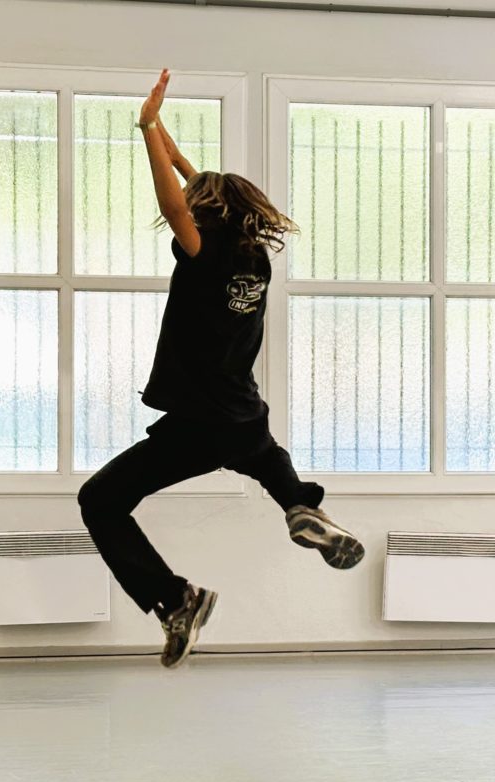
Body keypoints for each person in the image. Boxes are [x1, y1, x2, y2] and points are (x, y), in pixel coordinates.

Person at [78, 70, 365, 669]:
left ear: (203, 213)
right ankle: (301, 508)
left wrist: (145, 131)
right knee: (266, 457)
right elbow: (194, 182)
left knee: (100, 500)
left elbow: (173, 202)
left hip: (198, 422)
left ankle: (176, 598)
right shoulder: (253, 256)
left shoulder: (202, 252)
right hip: (242, 413)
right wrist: (163, 134)